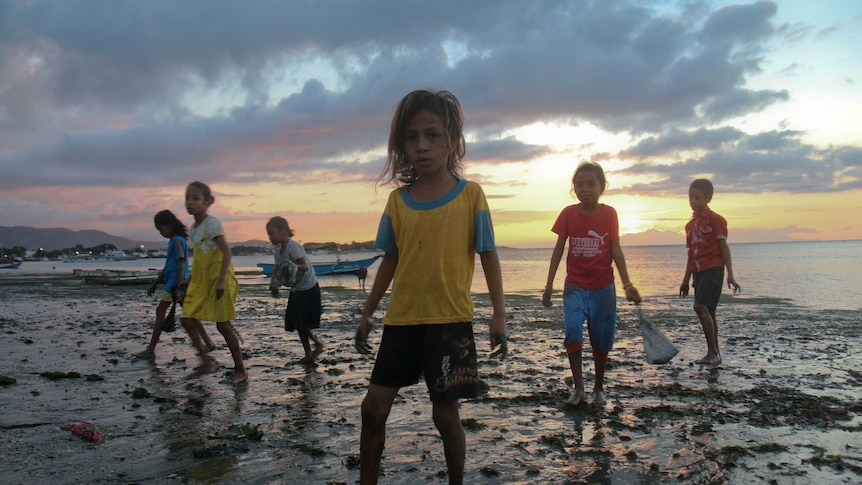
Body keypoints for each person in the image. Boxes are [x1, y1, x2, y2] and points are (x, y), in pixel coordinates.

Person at [353, 89, 508, 485]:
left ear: (452, 141)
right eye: (411, 137)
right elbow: (391, 259)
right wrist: (369, 311)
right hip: (401, 321)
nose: (421, 146)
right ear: (400, 145)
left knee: (445, 415)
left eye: (432, 135)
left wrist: (499, 314)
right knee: (373, 409)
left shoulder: (471, 195)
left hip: (449, 322)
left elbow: (488, 254)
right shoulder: (398, 201)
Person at [542, 162, 641, 407]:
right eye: (579, 184)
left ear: (602, 187)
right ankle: (578, 389)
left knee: (601, 338)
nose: (584, 189)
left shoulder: (609, 214)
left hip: (603, 288)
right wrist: (548, 284)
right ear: (573, 188)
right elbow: (558, 250)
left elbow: (615, 249)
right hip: (574, 286)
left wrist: (627, 283)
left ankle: (598, 389)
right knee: (573, 331)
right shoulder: (568, 213)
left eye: (590, 184)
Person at [178, 181, 248, 384]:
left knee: (223, 326)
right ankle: (206, 361)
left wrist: (220, 281)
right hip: (201, 282)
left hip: (221, 280)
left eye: (195, 198)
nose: (190, 202)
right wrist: (189, 280)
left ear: (209, 202)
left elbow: (226, 252)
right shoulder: (193, 228)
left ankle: (240, 369)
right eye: (187, 198)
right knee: (187, 318)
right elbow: (200, 257)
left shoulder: (212, 224)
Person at [134, 210, 214, 359]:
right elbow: (168, 265)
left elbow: (181, 262)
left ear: (169, 225)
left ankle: (151, 349)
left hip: (175, 284)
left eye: (161, 229)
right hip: (175, 283)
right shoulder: (173, 240)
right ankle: (208, 343)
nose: (160, 233)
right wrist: (155, 283)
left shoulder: (178, 240)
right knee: (191, 314)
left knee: (160, 312)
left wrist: (177, 286)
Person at [679, 178, 741, 367]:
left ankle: (713, 351)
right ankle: (714, 353)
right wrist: (685, 280)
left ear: (708, 198)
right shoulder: (690, 226)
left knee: (700, 307)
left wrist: (730, 274)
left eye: (697, 197)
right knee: (709, 311)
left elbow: (724, 247)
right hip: (698, 271)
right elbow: (691, 255)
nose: (693, 201)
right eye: (691, 197)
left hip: (713, 269)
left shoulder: (716, 220)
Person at [265, 216, 324, 365]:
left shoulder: (293, 246)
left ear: (283, 231)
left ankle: (317, 344)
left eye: (272, 233)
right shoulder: (277, 249)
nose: (270, 237)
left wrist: (292, 267)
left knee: (301, 322)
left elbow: (304, 267)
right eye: (268, 234)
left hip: (308, 287)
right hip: (297, 289)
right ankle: (308, 353)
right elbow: (277, 268)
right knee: (296, 323)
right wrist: (274, 284)